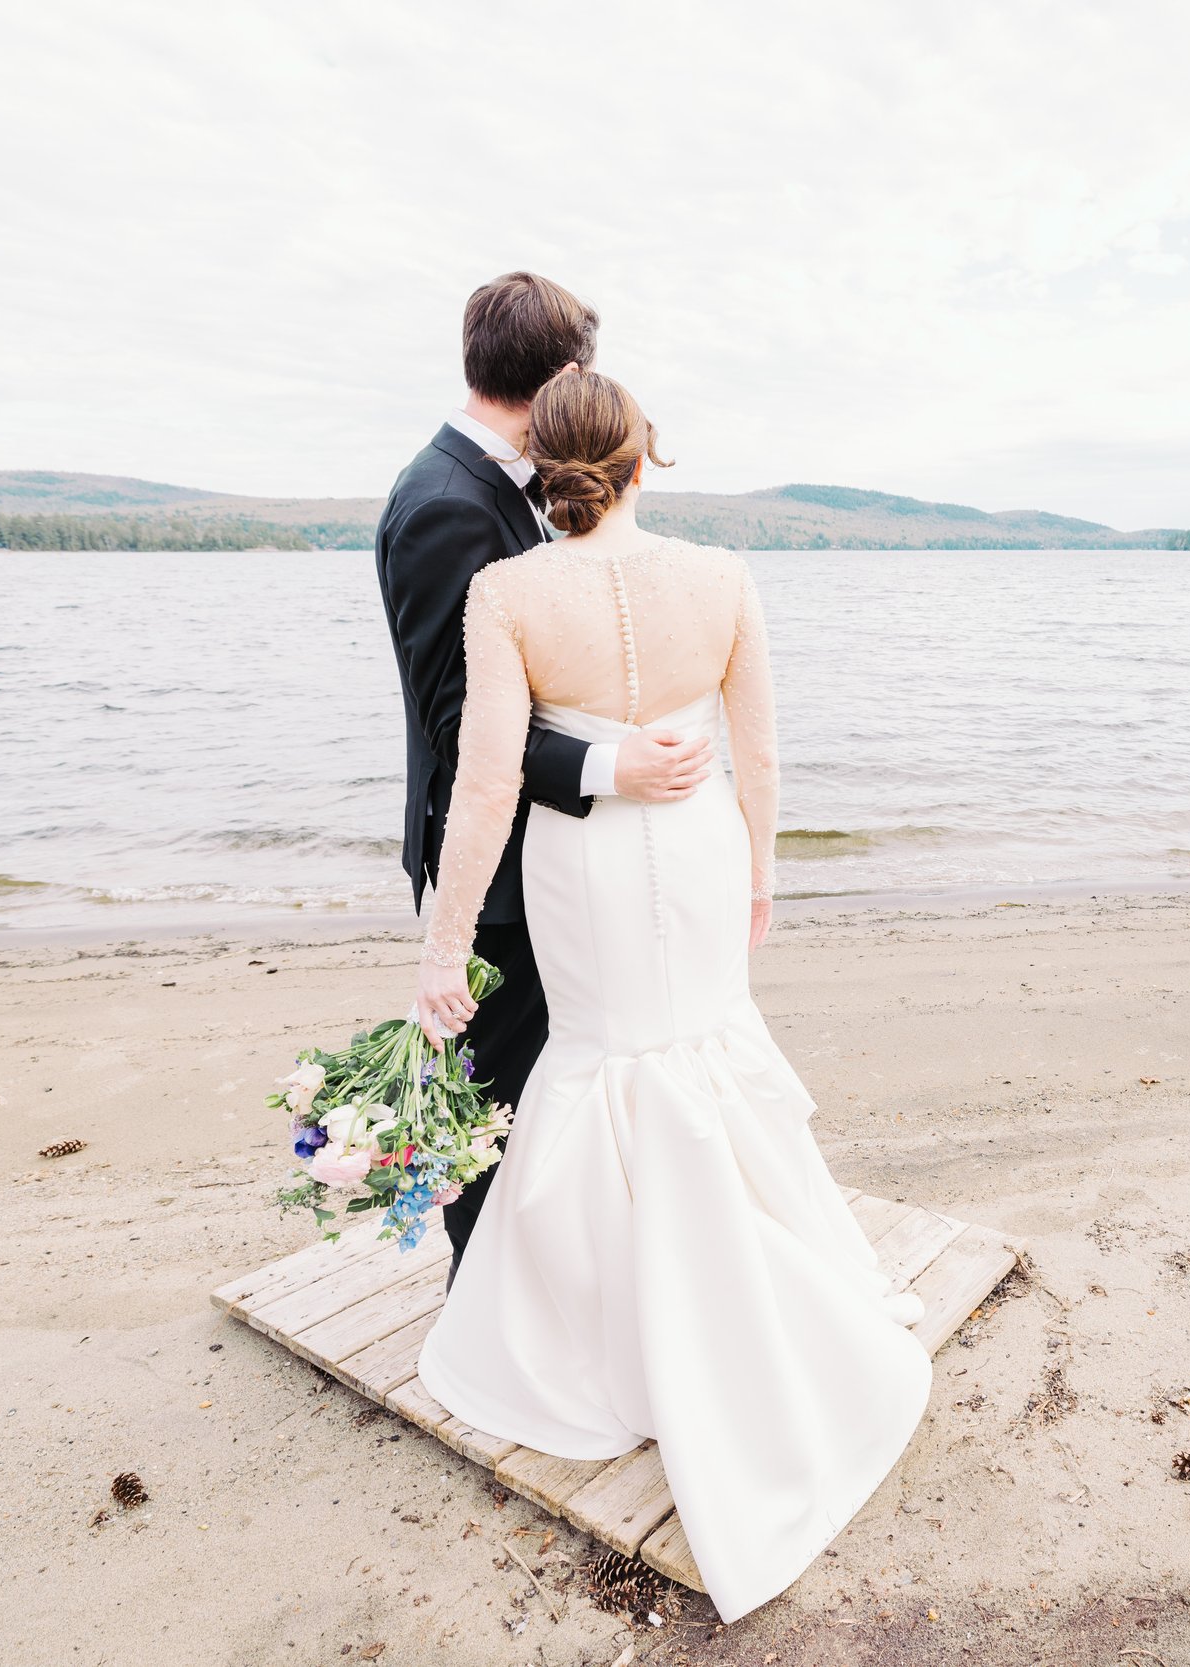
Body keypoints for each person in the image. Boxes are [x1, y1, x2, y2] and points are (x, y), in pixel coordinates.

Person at [407, 367, 930, 1621]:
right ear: (644, 459)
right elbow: (757, 751)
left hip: (584, 858)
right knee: (702, 1043)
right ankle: (748, 1288)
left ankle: (611, 1333)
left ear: (547, 467)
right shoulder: (726, 579)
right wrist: (760, 872)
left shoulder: (504, 592)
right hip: (694, 847)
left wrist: (441, 949)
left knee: (597, 1057)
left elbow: (485, 788)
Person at [374, 272, 712, 1285]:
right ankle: (478, 1294)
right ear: (565, 374)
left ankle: (540, 1278)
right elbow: (458, 721)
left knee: (540, 1081)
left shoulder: (494, 490)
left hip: (549, 852)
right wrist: (609, 764)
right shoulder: (446, 506)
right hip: (500, 868)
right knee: (489, 1091)